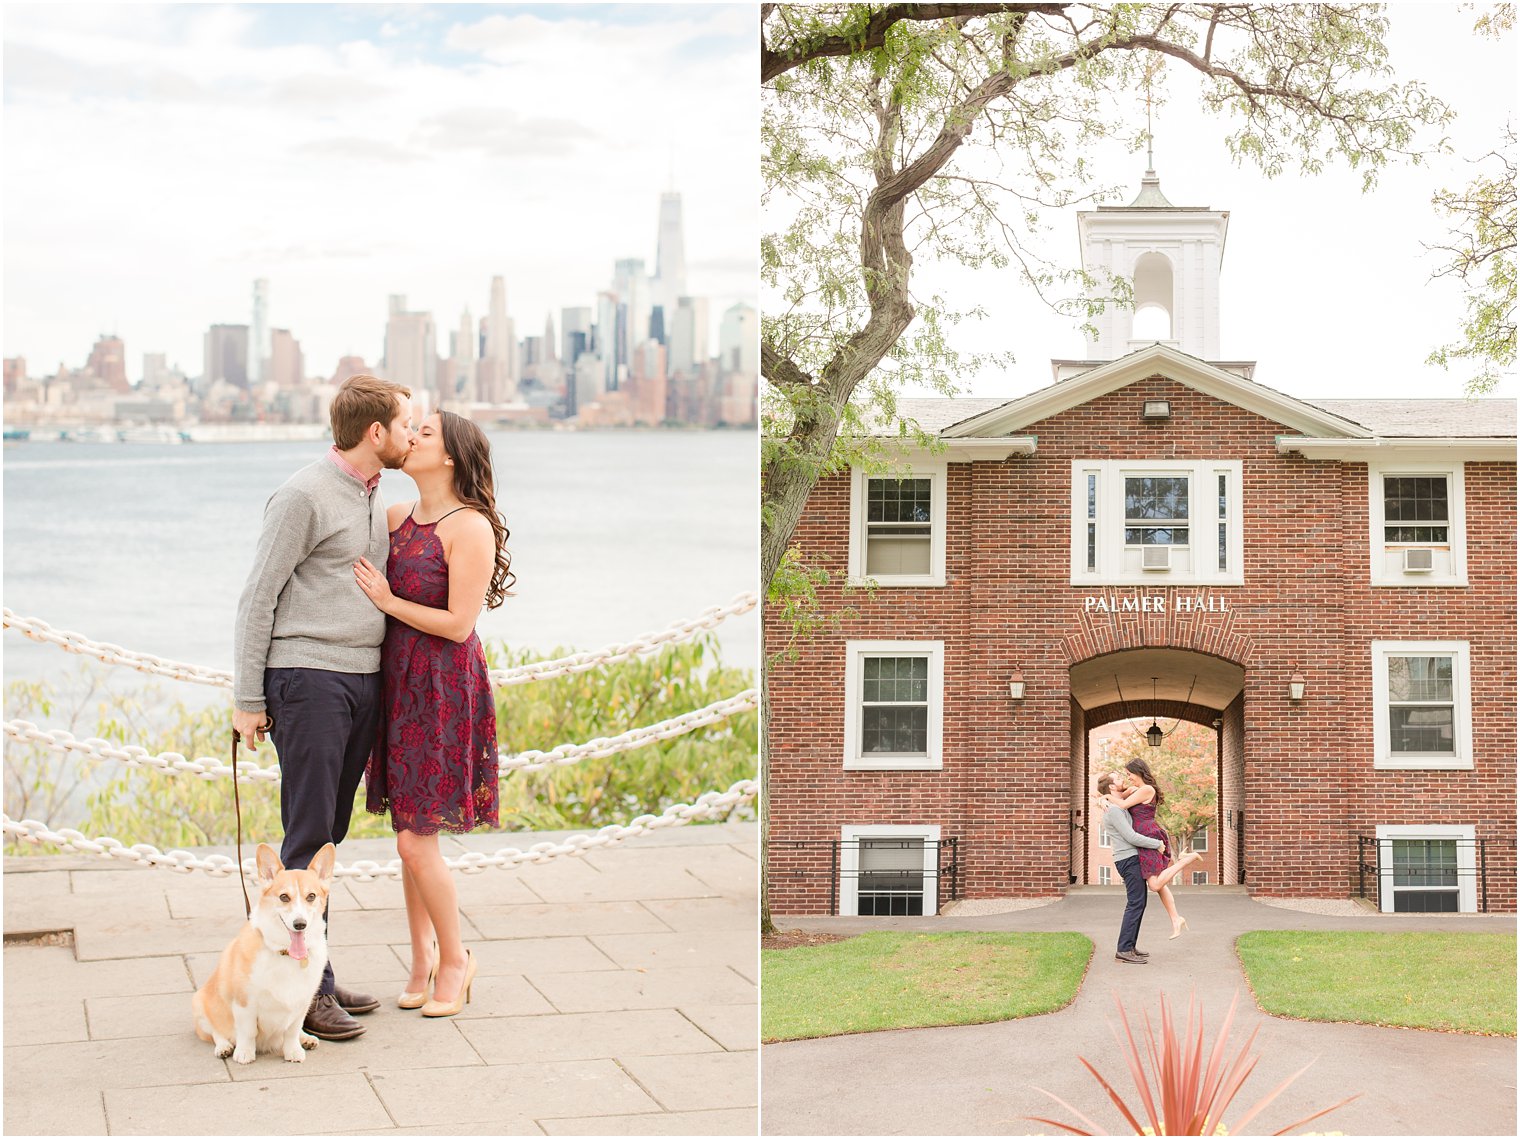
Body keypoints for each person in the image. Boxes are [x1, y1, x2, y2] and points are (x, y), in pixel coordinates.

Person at [232, 374, 416, 1042]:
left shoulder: (371, 495)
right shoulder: (303, 494)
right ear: (376, 433)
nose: (410, 433)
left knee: (326, 842)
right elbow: (258, 595)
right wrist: (248, 697)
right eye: (405, 423)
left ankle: (318, 977)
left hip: (358, 681)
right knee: (306, 839)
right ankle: (308, 997)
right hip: (308, 681)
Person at [353, 409, 513, 1018]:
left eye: (424, 433)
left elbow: (459, 624)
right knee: (407, 839)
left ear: (448, 456)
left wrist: (389, 601)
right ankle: (420, 960)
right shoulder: (394, 518)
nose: (410, 437)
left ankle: (456, 960)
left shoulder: (468, 526)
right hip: (398, 685)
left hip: (444, 688)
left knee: (419, 844)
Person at [1100, 758, 1205, 939]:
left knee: (1155, 884)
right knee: (1157, 881)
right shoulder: (1133, 790)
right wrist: (1103, 797)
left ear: (1138, 772)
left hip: (1149, 836)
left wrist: (1106, 797)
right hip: (1141, 840)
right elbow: (1117, 797)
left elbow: (1122, 804)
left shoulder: (1147, 790)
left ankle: (1186, 859)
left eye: (1129, 774)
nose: (1128, 778)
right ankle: (1176, 919)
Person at [1096, 771, 1167, 964]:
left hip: (1130, 858)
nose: (1123, 780)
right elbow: (1131, 837)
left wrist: (1104, 797)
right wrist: (1157, 844)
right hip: (1128, 859)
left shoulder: (1117, 806)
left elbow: (1129, 792)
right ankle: (1124, 949)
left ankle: (1130, 946)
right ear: (1111, 786)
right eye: (1118, 779)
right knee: (1135, 903)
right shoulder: (1115, 811)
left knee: (1139, 902)